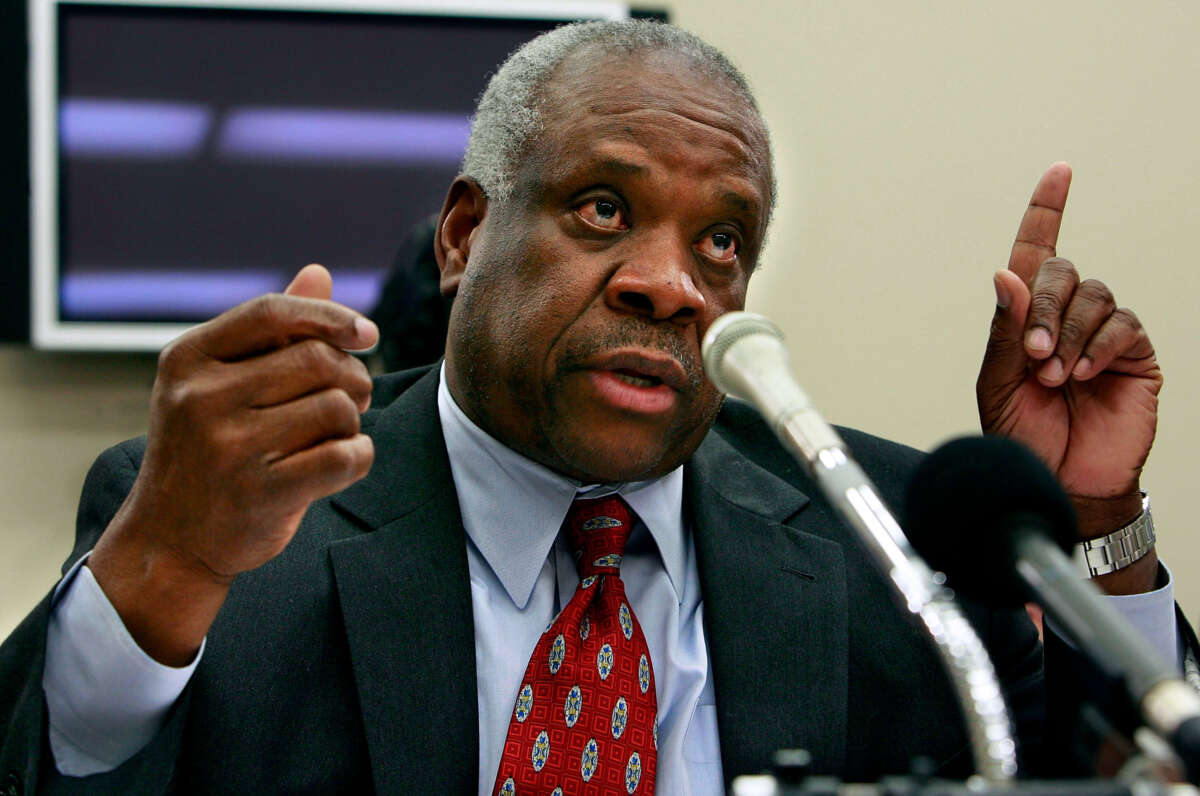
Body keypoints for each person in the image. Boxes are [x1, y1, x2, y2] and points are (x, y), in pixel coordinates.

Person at [0, 20, 1178, 795]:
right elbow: (61, 769)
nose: (670, 283)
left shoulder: (880, 533)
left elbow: (1092, 761)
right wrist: (163, 564)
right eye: (604, 209)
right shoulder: (252, 521)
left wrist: (1096, 519)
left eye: (721, 241)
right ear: (466, 235)